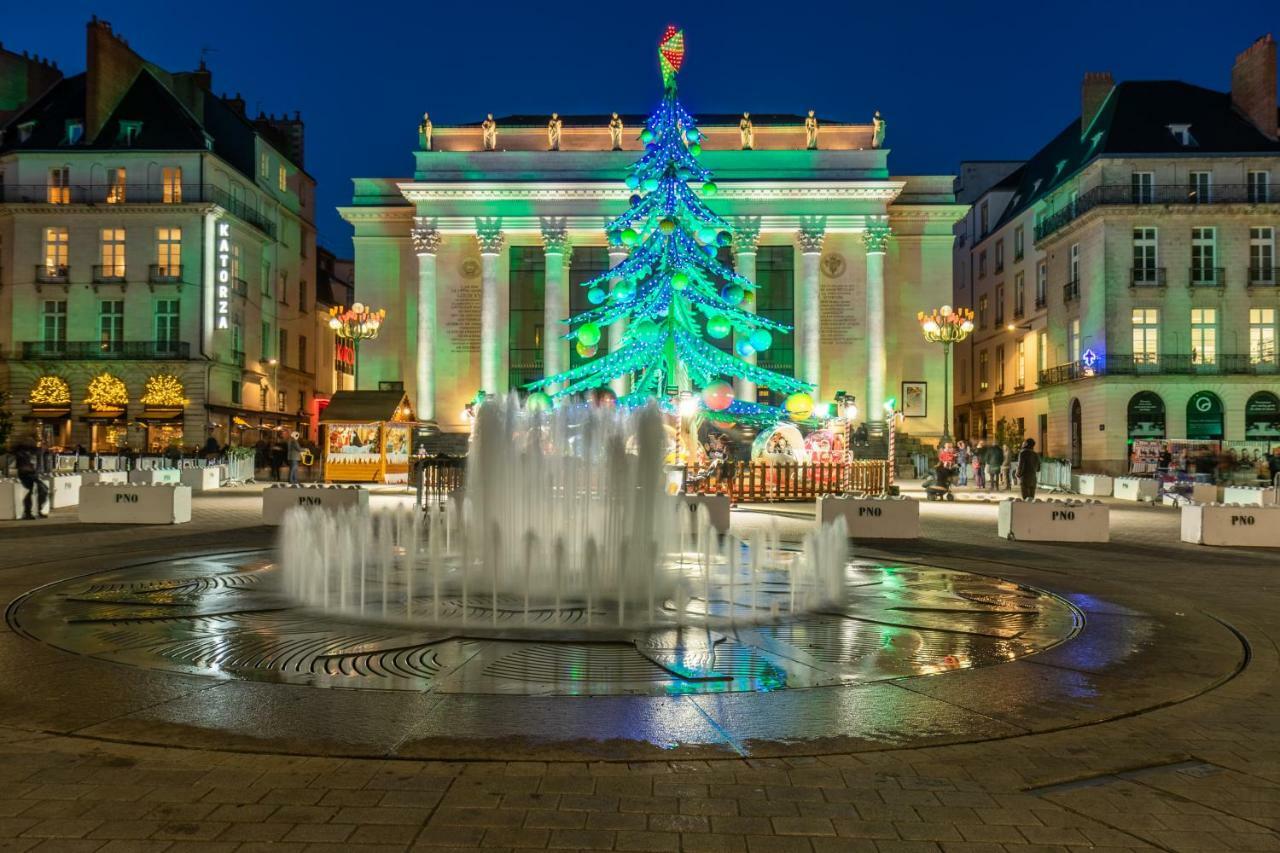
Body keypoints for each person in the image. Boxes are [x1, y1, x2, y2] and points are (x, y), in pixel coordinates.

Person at [12, 435, 49, 520]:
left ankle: (38, 510)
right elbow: (21, 466)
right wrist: (30, 468)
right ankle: (28, 513)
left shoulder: (32, 451)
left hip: (33, 475)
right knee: (30, 491)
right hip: (25, 475)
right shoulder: (21, 452)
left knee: (43, 489)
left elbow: (42, 451)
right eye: (30, 441)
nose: (32, 442)